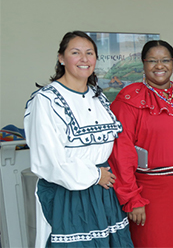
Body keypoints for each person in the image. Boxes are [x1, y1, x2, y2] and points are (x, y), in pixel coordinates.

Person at [23, 31, 133, 247]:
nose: (84, 59)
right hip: (69, 195)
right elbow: (47, 160)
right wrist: (93, 175)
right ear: (61, 58)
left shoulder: (99, 97)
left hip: (104, 193)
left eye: (89, 53)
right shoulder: (46, 100)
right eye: (76, 52)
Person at [108, 40, 173, 247]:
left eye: (165, 60)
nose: (159, 66)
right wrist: (132, 198)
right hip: (149, 195)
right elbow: (120, 153)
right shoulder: (128, 100)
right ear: (143, 63)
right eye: (152, 60)